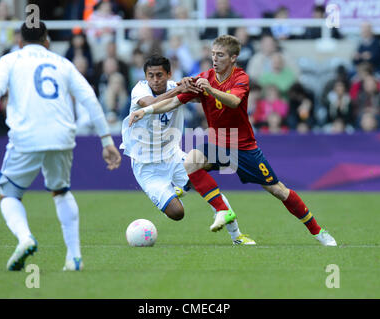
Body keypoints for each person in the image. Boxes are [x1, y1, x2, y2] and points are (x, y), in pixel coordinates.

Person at [129, 35, 337, 246]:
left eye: (220, 55)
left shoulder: (241, 78)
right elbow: (173, 102)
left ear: (233, 58)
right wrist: (145, 111)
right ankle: (222, 211)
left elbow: (234, 101)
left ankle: (318, 231)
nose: (215, 59)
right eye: (213, 54)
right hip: (217, 144)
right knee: (191, 161)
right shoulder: (204, 77)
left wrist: (209, 89)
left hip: (243, 147)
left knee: (279, 191)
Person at [0, 22, 121, 272]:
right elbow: (89, 97)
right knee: (61, 191)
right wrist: (107, 141)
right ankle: (74, 258)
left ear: (20, 42)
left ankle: (25, 238)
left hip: (26, 136)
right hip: (62, 135)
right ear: (47, 41)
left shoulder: (10, 60)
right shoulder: (63, 63)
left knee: (8, 194)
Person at [121, 55, 256, 245]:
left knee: (209, 176)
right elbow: (151, 104)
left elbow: (205, 97)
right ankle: (178, 188)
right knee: (177, 214)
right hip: (146, 168)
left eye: (159, 75)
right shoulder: (140, 89)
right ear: (145, 76)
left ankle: (237, 236)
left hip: (173, 156)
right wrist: (179, 89)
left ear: (169, 74)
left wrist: (213, 92)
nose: (155, 80)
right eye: (150, 75)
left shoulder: (177, 86)